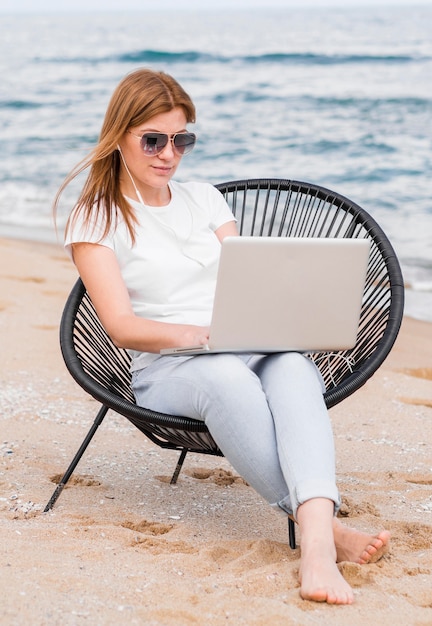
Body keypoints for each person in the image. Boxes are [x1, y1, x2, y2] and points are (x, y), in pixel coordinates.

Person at [55, 68, 390, 605]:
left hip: (241, 340)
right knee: (227, 380)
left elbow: (248, 278)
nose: (169, 153)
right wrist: (201, 336)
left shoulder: (205, 199)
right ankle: (322, 542)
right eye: (154, 139)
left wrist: (283, 316)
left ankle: (318, 535)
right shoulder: (96, 216)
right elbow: (119, 327)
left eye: (182, 139)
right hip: (169, 366)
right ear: (119, 136)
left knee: (295, 367)